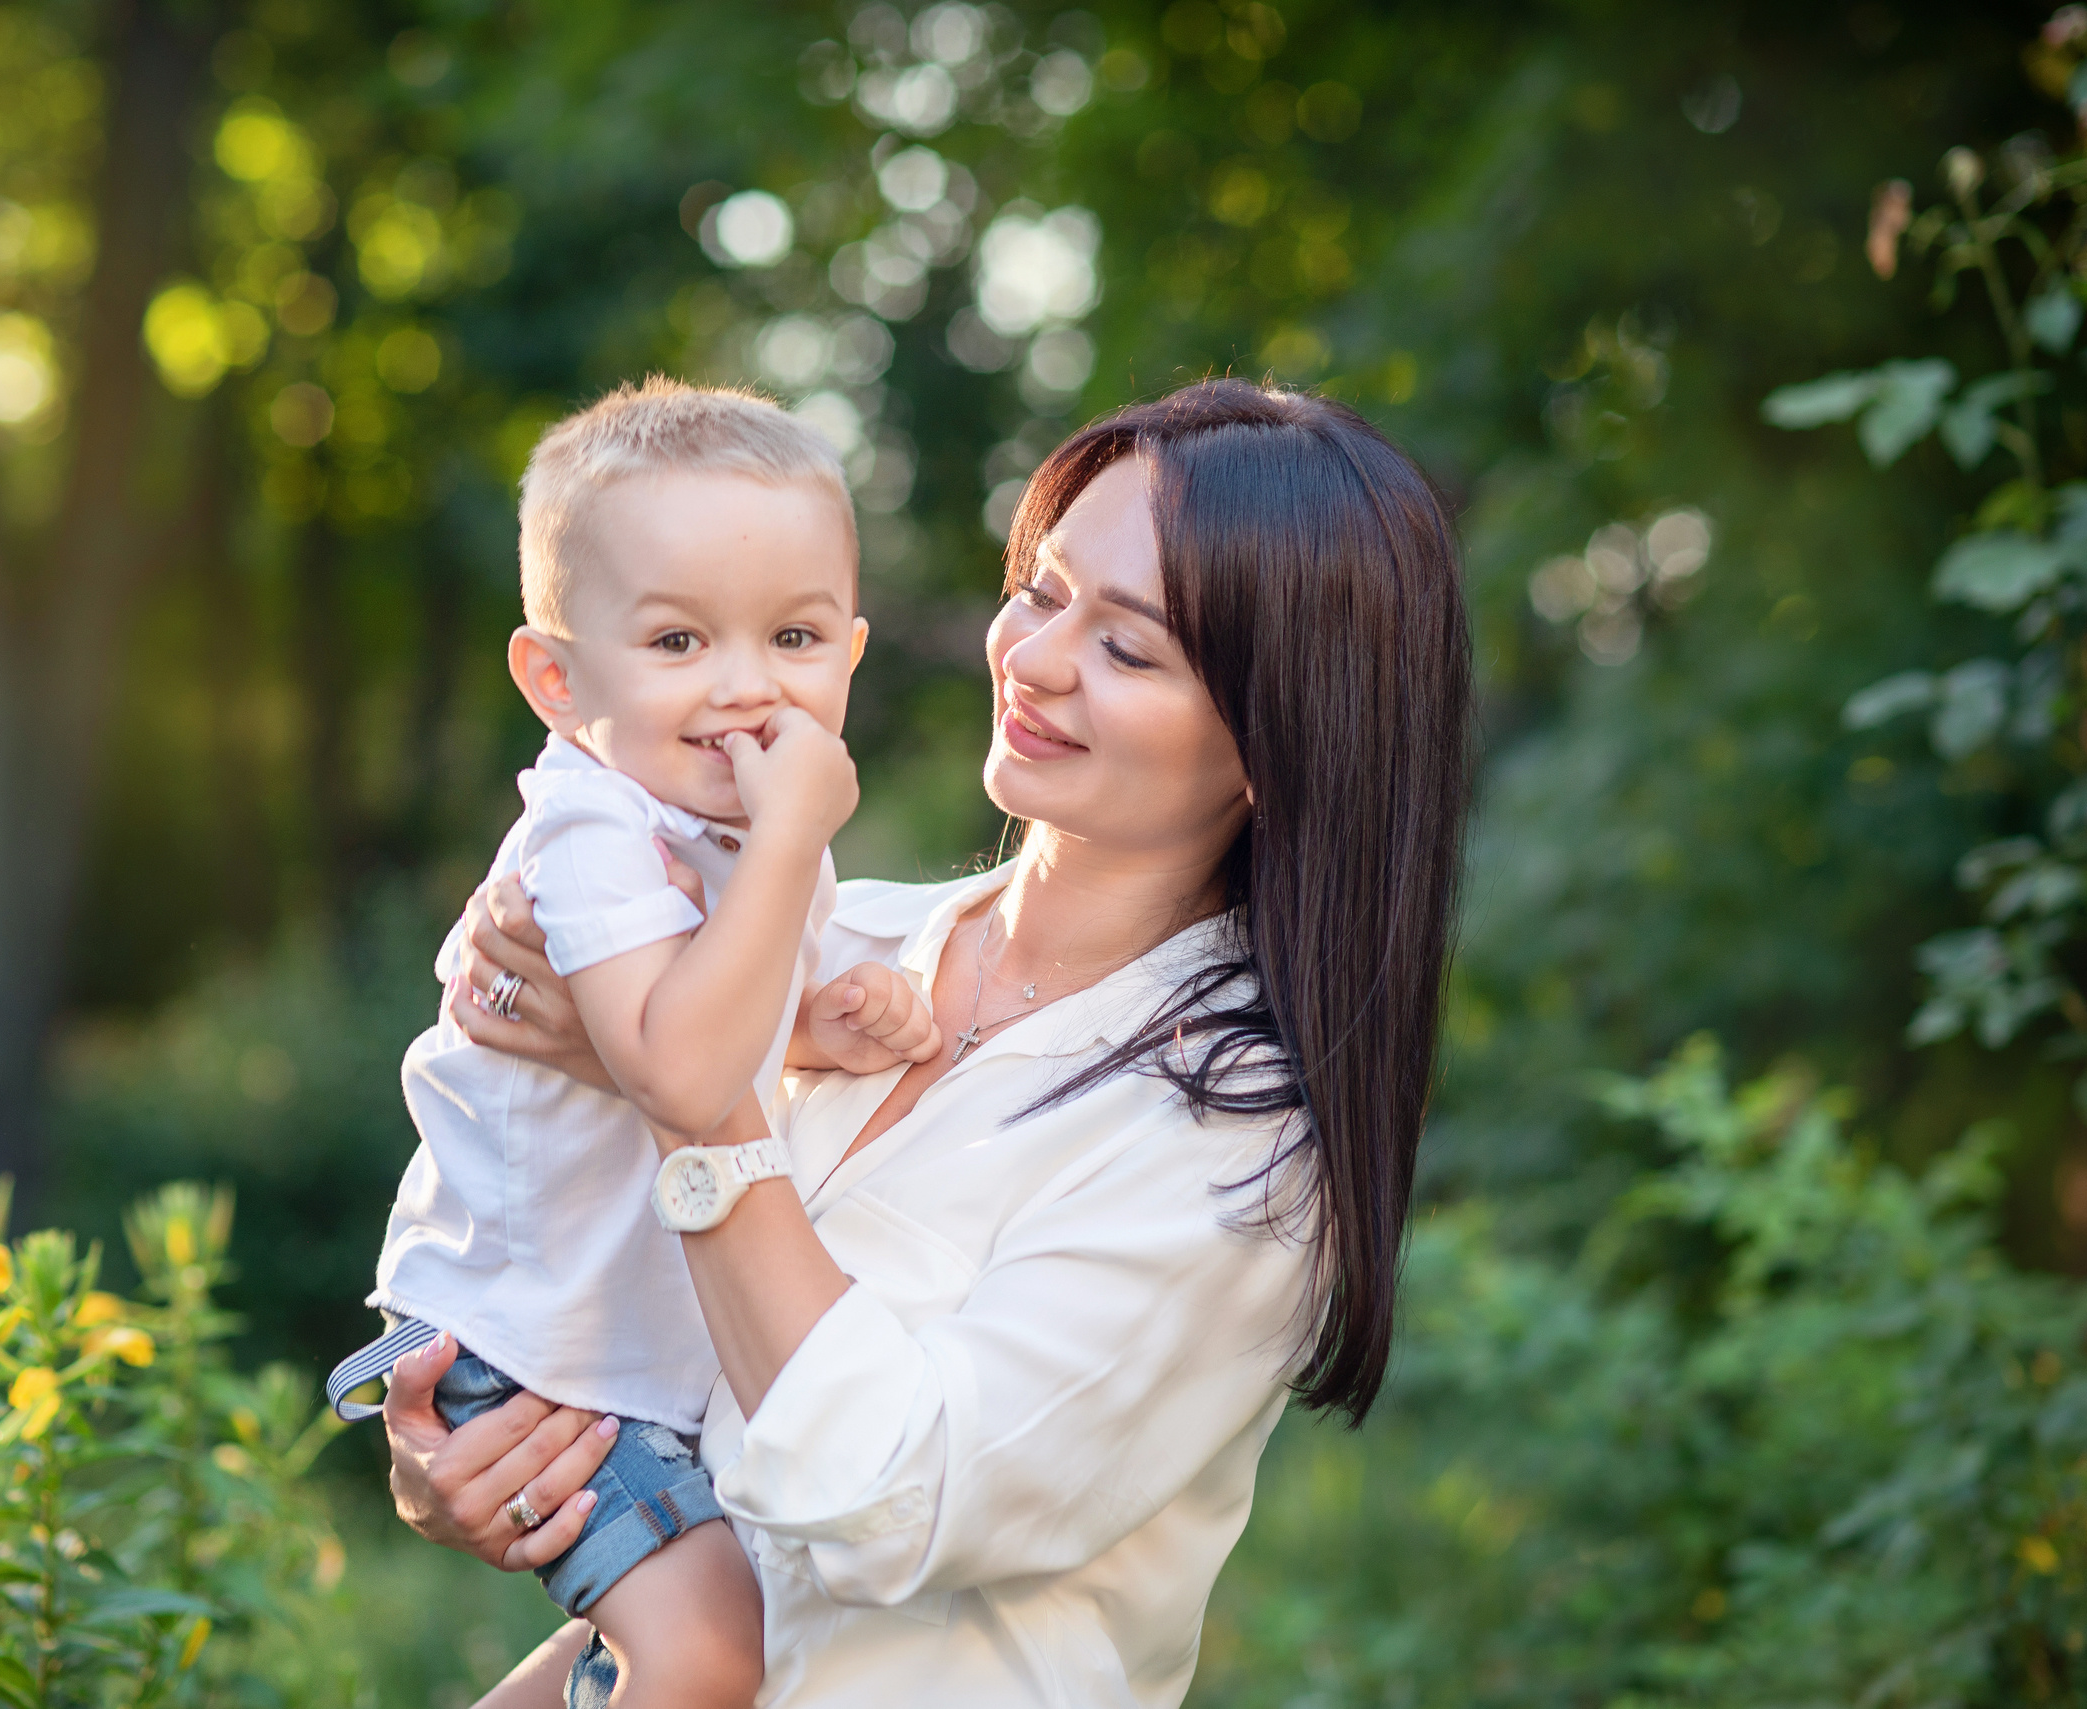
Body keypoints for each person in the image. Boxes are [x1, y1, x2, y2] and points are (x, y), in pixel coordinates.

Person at [381, 377, 1472, 1708]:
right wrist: (499, 1447)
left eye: (1129, 649)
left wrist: (674, 1081)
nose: (1039, 660)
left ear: (1275, 736)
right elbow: (714, 1531)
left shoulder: (1239, 1150)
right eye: (1044, 591)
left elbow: (885, 1500)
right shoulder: (833, 946)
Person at [326, 378, 943, 1709]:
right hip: (522, 1343)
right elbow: (681, 1069)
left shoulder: (740, 830)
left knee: (707, 1641)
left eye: (792, 634)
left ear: (850, 649)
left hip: (625, 1347)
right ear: (558, 678)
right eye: (677, 641)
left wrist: (835, 1010)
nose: (743, 686)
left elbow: (746, 1010)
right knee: (711, 1652)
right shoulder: (594, 830)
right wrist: (792, 842)